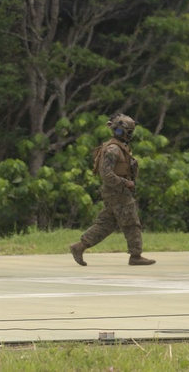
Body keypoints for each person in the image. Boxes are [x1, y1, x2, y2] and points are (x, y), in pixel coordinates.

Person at [70, 114, 155, 266]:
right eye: (128, 131)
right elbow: (106, 174)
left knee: (106, 224)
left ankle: (79, 246)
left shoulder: (118, 147)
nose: (130, 135)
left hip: (115, 191)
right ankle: (135, 256)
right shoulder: (113, 149)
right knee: (131, 223)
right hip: (117, 191)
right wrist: (125, 183)